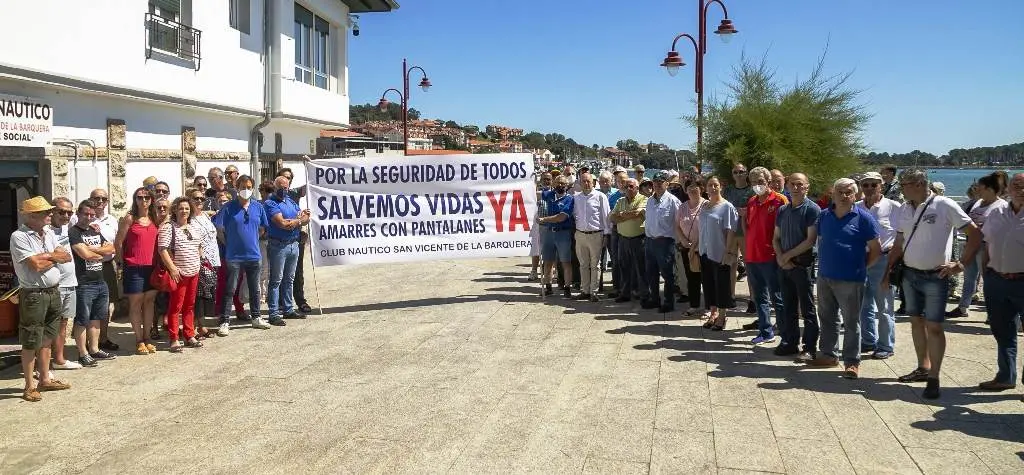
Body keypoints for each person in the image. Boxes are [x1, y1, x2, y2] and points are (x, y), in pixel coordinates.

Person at [884, 168, 982, 399]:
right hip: (910, 274)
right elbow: (899, 241)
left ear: (918, 184)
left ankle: (934, 377)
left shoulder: (945, 205)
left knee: (935, 327)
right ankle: (923, 367)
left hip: (935, 276)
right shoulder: (905, 208)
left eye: (904, 184)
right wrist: (887, 270)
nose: (901, 188)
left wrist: (960, 265)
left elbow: (974, 234)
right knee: (916, 322)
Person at [806, 178, 882, 379]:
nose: (844, 195)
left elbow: (876, 249)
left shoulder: (864, 218)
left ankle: (852, 362)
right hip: (825, 277)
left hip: (851, 279)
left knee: (851, 322)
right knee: (828, 319)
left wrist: (863, 266)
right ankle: (828, 355)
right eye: (840, 191)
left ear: (855, 195)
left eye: (849, 192)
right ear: (833, 194)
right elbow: (819, 240)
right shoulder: (824, 216)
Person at [11, 196, 73, 401]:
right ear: (31, 216)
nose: (50, 214)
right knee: (30, 340)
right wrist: (52, 256)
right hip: (34, 294)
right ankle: (29, 386)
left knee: (47, 337)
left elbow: (66, 256)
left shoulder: (47, 232)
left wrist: (46, 256)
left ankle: (44, 378)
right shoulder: (19, 236)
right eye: (45, 212)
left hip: (53, 290)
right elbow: (35, 265)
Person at [977, 172, 1024, 392]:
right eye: (1016, 185)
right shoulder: (997, 212)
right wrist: (986, 272)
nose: (1019, 189)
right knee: (1002, 332)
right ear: (1008, 188)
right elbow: (986, 243)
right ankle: (1006, 376)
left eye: (1023, 186)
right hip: (996, 280)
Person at [772, 173, 821, 360]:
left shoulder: (812, 209)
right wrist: (780, 257)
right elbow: (775, 237)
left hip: (802, 265)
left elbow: (810, 240)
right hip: (785, 266)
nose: (795, 187)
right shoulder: (783, 210)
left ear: (807, 187)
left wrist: (787, 256)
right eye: (792, 184)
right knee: (788, 307)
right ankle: (789, 341)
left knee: (807, 308)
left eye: (800, 184)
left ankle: (809, 347)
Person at [947, 172, 1006, 319]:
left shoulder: (1002, 206)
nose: (977, 189)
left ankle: (992, 311)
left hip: (988, 248)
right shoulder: (977, 203)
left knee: (989, 281)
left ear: (990, 189)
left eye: (980, 187)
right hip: (971, 245)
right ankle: (963, 307)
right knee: (969, 277)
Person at [215, 175, 270, 333]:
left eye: (248, 187)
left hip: (253, 255)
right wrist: (228, 243)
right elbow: (219, 228)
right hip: (234, 256)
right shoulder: (228, 208)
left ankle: (256, 317)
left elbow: (262, 228)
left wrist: (252, 240)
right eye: (242, 187)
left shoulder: (258, 207)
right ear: (237, 188)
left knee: (255, 288)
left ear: (252, 188)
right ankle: (225, 321)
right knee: (230, 289)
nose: (245, 190)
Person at [856, 172, 901, 360]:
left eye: (873, 185)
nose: (868, 189)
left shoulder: (894, 207)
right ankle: (868, 340)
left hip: (883, 261)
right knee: (862, 305)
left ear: (881, 186)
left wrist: (894, 255)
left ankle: (886, 345)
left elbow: (902, 234)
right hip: (859, 260)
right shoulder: (856, 207)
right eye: (865, 185)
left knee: (884, 307)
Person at [741, 167, 788, 344]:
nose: (757, 185)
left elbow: (785, 229)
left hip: (771, 256)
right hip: (753, 256)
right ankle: (765, 331)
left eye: (760, 182)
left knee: (777, 297)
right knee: (759, 297)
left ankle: (786, 334)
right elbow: (748, 227)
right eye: (753, 182)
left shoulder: (779, 200)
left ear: (768, 182)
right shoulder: (752, 201)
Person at [68, 199, 117, 366]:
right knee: (82, 319)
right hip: (84, 282)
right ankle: (82, 353)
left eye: (92, 215)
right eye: (86, 214)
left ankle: (94, 349)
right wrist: (97, 252)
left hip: (100, 280)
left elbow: (111, 249)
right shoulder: (74, 232)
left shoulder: (94, 230)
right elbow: (85, 256)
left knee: (97, 317)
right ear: (78, 214)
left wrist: (93, 250)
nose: (89, 217)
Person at [114, 187, 160, 355]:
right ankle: (139, 339)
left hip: (152, 267)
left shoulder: (155, 218)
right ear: (135, 200)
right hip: (133, 267)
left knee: (149, 303)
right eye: (140, 197)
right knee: (135, 304)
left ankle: (147, 338)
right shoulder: (130, 219)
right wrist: (120, 264)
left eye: (147, 197)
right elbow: (118, 242)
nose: (144, 200)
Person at [157, 197, 205, 351]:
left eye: (186, 208)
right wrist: (172, 268)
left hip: (194, 272)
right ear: (175, 210)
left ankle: (189, 335)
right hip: (179, 273)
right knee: (175, 306)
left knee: (190, 306)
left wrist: (199, 259)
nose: (184, 211)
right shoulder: (168, 227)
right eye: (181, 208)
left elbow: (199, 246)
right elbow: (162, 249)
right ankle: (174, 339)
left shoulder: (193, 227)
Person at [695, 176, 738, 330]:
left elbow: (732, 231)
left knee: (722, 286)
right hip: (705, 251)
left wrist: (729, 252)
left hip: (719, 251)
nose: (712, 188)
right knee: (708, 285)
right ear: (705, 188)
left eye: (715, 185)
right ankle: (712, 313)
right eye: (710, 185)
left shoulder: (727, 207)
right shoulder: (704, 206)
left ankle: (722, 316)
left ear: (721, 187)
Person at [265, 176, 311, 322]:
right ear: (275, 186)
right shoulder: (270, 203)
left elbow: (307, 218)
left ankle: (288, 309)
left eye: (286, 188)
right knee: (276, 280)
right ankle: (273, 313)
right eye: (281, 187)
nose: (284, 190)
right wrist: (298, 220)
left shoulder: (290, 201)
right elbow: (282, 224)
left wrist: (297, 221)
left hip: (293, 244)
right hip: (278, 245)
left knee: (289, 279)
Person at [48, 197, 83, 371]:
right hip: (54, 285)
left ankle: (59, 360)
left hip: (70, 283)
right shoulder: (46, 231)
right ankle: (44, 366)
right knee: (50, 326)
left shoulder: (65, 228)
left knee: (63, 324)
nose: (66, 215)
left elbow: (87, 216)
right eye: (61, 211)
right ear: (52, 211)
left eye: (70, 212)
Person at [85, 189, 120, 352]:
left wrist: (117, 263)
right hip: (86, 267)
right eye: (96, 198)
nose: (100, 201)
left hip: (107, 266)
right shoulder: (82, 218)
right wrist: (102, 250)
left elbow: (114, 246)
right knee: (87, 304)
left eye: (103, 199)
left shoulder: (112, 220)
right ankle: (88, 342)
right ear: (90, 199)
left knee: (105, 305)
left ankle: (103, 338)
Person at [643, 171, 682, 312]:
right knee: (651, 273)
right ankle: (654, 299)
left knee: (667, 274)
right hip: (650, 241)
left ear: (667, 183)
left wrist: (678, 241)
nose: (658, 184)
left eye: (661, 182)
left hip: (665, 242)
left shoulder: (673, 201)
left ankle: (668, 302)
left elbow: (679, 222)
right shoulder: (649, 200)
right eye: (656, 182)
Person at [571, 172, 611, 302]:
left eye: (588, 181)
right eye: (583, 181)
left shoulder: (600, 197)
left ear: (593, 182)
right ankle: (585, 290)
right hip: (580, 234)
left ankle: (594, 292)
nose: (586, 183)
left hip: (596, 235)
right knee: (583, 264)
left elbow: (606, 217)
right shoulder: (576, 198)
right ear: (580, 183)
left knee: (595, 265)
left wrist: (606, 234)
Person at [187, 188, 219, 338]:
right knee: (197, 296)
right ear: (189, 200)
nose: (199, 201)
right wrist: (200, 259)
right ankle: (194, 327)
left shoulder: (206, 215)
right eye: (196, 198)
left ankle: (202, 325)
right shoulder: (188, 219)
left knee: (206, 295)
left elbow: (215, 212)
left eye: (202, 198)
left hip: (212, 260)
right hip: (199, 261)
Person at [723, 163, 754, 312]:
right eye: (735, 172)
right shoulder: (728, 190)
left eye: (741, 171)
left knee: (750, 266)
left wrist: (747, 211)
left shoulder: (752, 190)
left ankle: (753, 299)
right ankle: (730, 296)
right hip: (731, 232)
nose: (739, 174)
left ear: (746, 173)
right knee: (731, 264)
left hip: (746, 232)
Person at [538, 175, 575, 298]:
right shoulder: (549, 195)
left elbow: (561, 217)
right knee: (547, 261)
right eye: (558, 183)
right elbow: (536, 193)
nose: (560, 185)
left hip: (563, 233)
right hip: (549, 232)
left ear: (567, 186)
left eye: (563, 183)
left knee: (565, 262)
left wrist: (543, 219)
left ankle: (567, 287)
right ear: (554, 184)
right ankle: (548, 286)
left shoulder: (569, 199)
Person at [611, 178, 647, 303]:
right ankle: (625, 293)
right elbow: (612, 218)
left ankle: (643, 294)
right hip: (623, 239)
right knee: (624, 267)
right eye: (626, 187)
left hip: (639, 239)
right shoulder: (620, 200)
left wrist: (621, 214)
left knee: (641, 268)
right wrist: (624, 215)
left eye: (631, 186)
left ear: (637, 188)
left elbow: (638, 213)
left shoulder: (643, 199)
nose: (628, 189)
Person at [677, 176, 706, 315]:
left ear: (701, 189)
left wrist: (696, 244)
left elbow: (708, 228)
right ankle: (694, 305)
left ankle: (709, 307)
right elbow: (676, 226)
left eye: (696, 187)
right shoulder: (682, 207)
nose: (692, 190)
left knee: (706, 278)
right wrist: (682, 240)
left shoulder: (706, 205)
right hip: (687, 248)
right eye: (689, 188)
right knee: (691, 277)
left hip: (703, 248)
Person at [528, 173, 551, 281]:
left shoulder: (554, 193)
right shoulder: (535, 193)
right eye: (544, 179)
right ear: (541, 180)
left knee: (551, 250)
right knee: (536, 249)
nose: (546, 181)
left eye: (549, 179)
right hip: (538, 225)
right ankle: (534, 270)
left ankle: (552, 271)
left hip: (550, 225)